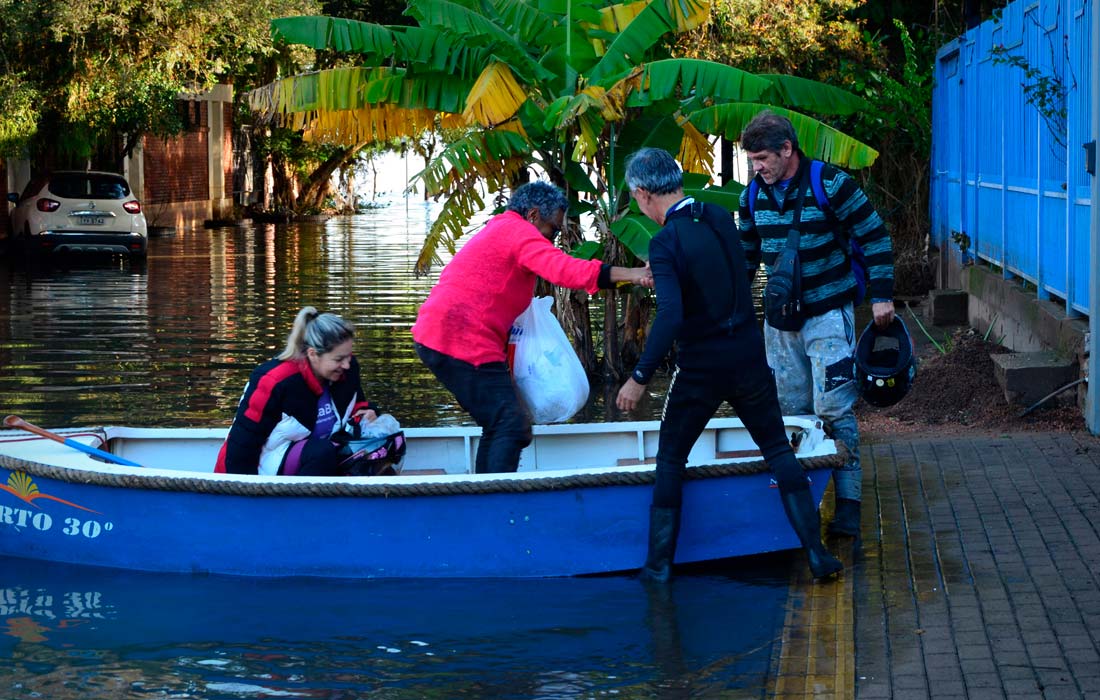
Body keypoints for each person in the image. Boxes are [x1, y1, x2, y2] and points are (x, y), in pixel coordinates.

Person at [616, 147, 841, 582]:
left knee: (670, 460)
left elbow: (671, 315)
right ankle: (817, 555)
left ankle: (658, 568)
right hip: (747, 356)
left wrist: (639, 376)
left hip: (701, 366)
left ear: (643, 194)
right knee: (777, 449)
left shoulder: (666, 241)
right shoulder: (719, 217)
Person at [413, 180, 653, 474]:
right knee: (510, 426)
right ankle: (495, 497)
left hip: (445, 335)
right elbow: (565, 270)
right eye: (553, 230)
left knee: (504, 424)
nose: (553, 239)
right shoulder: (519, 232)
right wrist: (634, 274)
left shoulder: (501, 228)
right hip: (461, 339)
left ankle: (486, 491)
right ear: (533, 215)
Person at [738, 111, 895, 537]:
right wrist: (732, 313)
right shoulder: (751, 196)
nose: (757, 168)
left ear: (787, 149)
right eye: (752, 161)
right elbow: (745, 257)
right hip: (779, 324)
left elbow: (875, 236)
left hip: (828, 316)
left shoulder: (830, 183)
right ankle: (801, 505)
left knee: (834, 409)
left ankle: (849, 503)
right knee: (790, 413)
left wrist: (882, 296)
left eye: (762, 159)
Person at [215, 307, 379, 475]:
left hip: (321, 454)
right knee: (321, 452)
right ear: (313, 354)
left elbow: (357, 403)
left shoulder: (347, 370)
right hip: (263, 464)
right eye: (339, 359)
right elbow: (243, 442)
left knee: (383, 441)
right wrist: (240, 487)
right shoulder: (275, 380)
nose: (346, 364)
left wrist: (366, 411)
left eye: (349, 356)